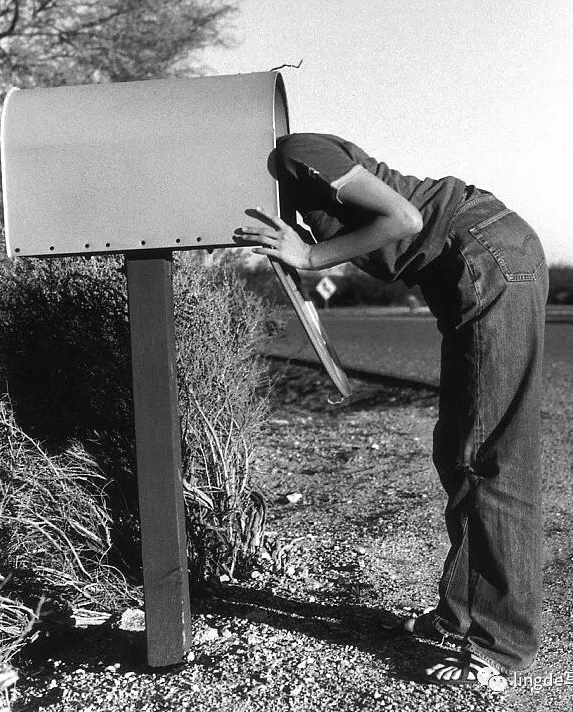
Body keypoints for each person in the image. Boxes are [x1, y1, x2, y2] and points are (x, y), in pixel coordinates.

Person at [233, 133, 548, 690]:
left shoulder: (295, 152)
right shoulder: (290, 177)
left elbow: (404, 218)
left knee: (485, 456)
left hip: (485, 255)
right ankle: (462, 614)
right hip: (468, 265)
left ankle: (499, 646)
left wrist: (310, 256)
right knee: (457, 450)